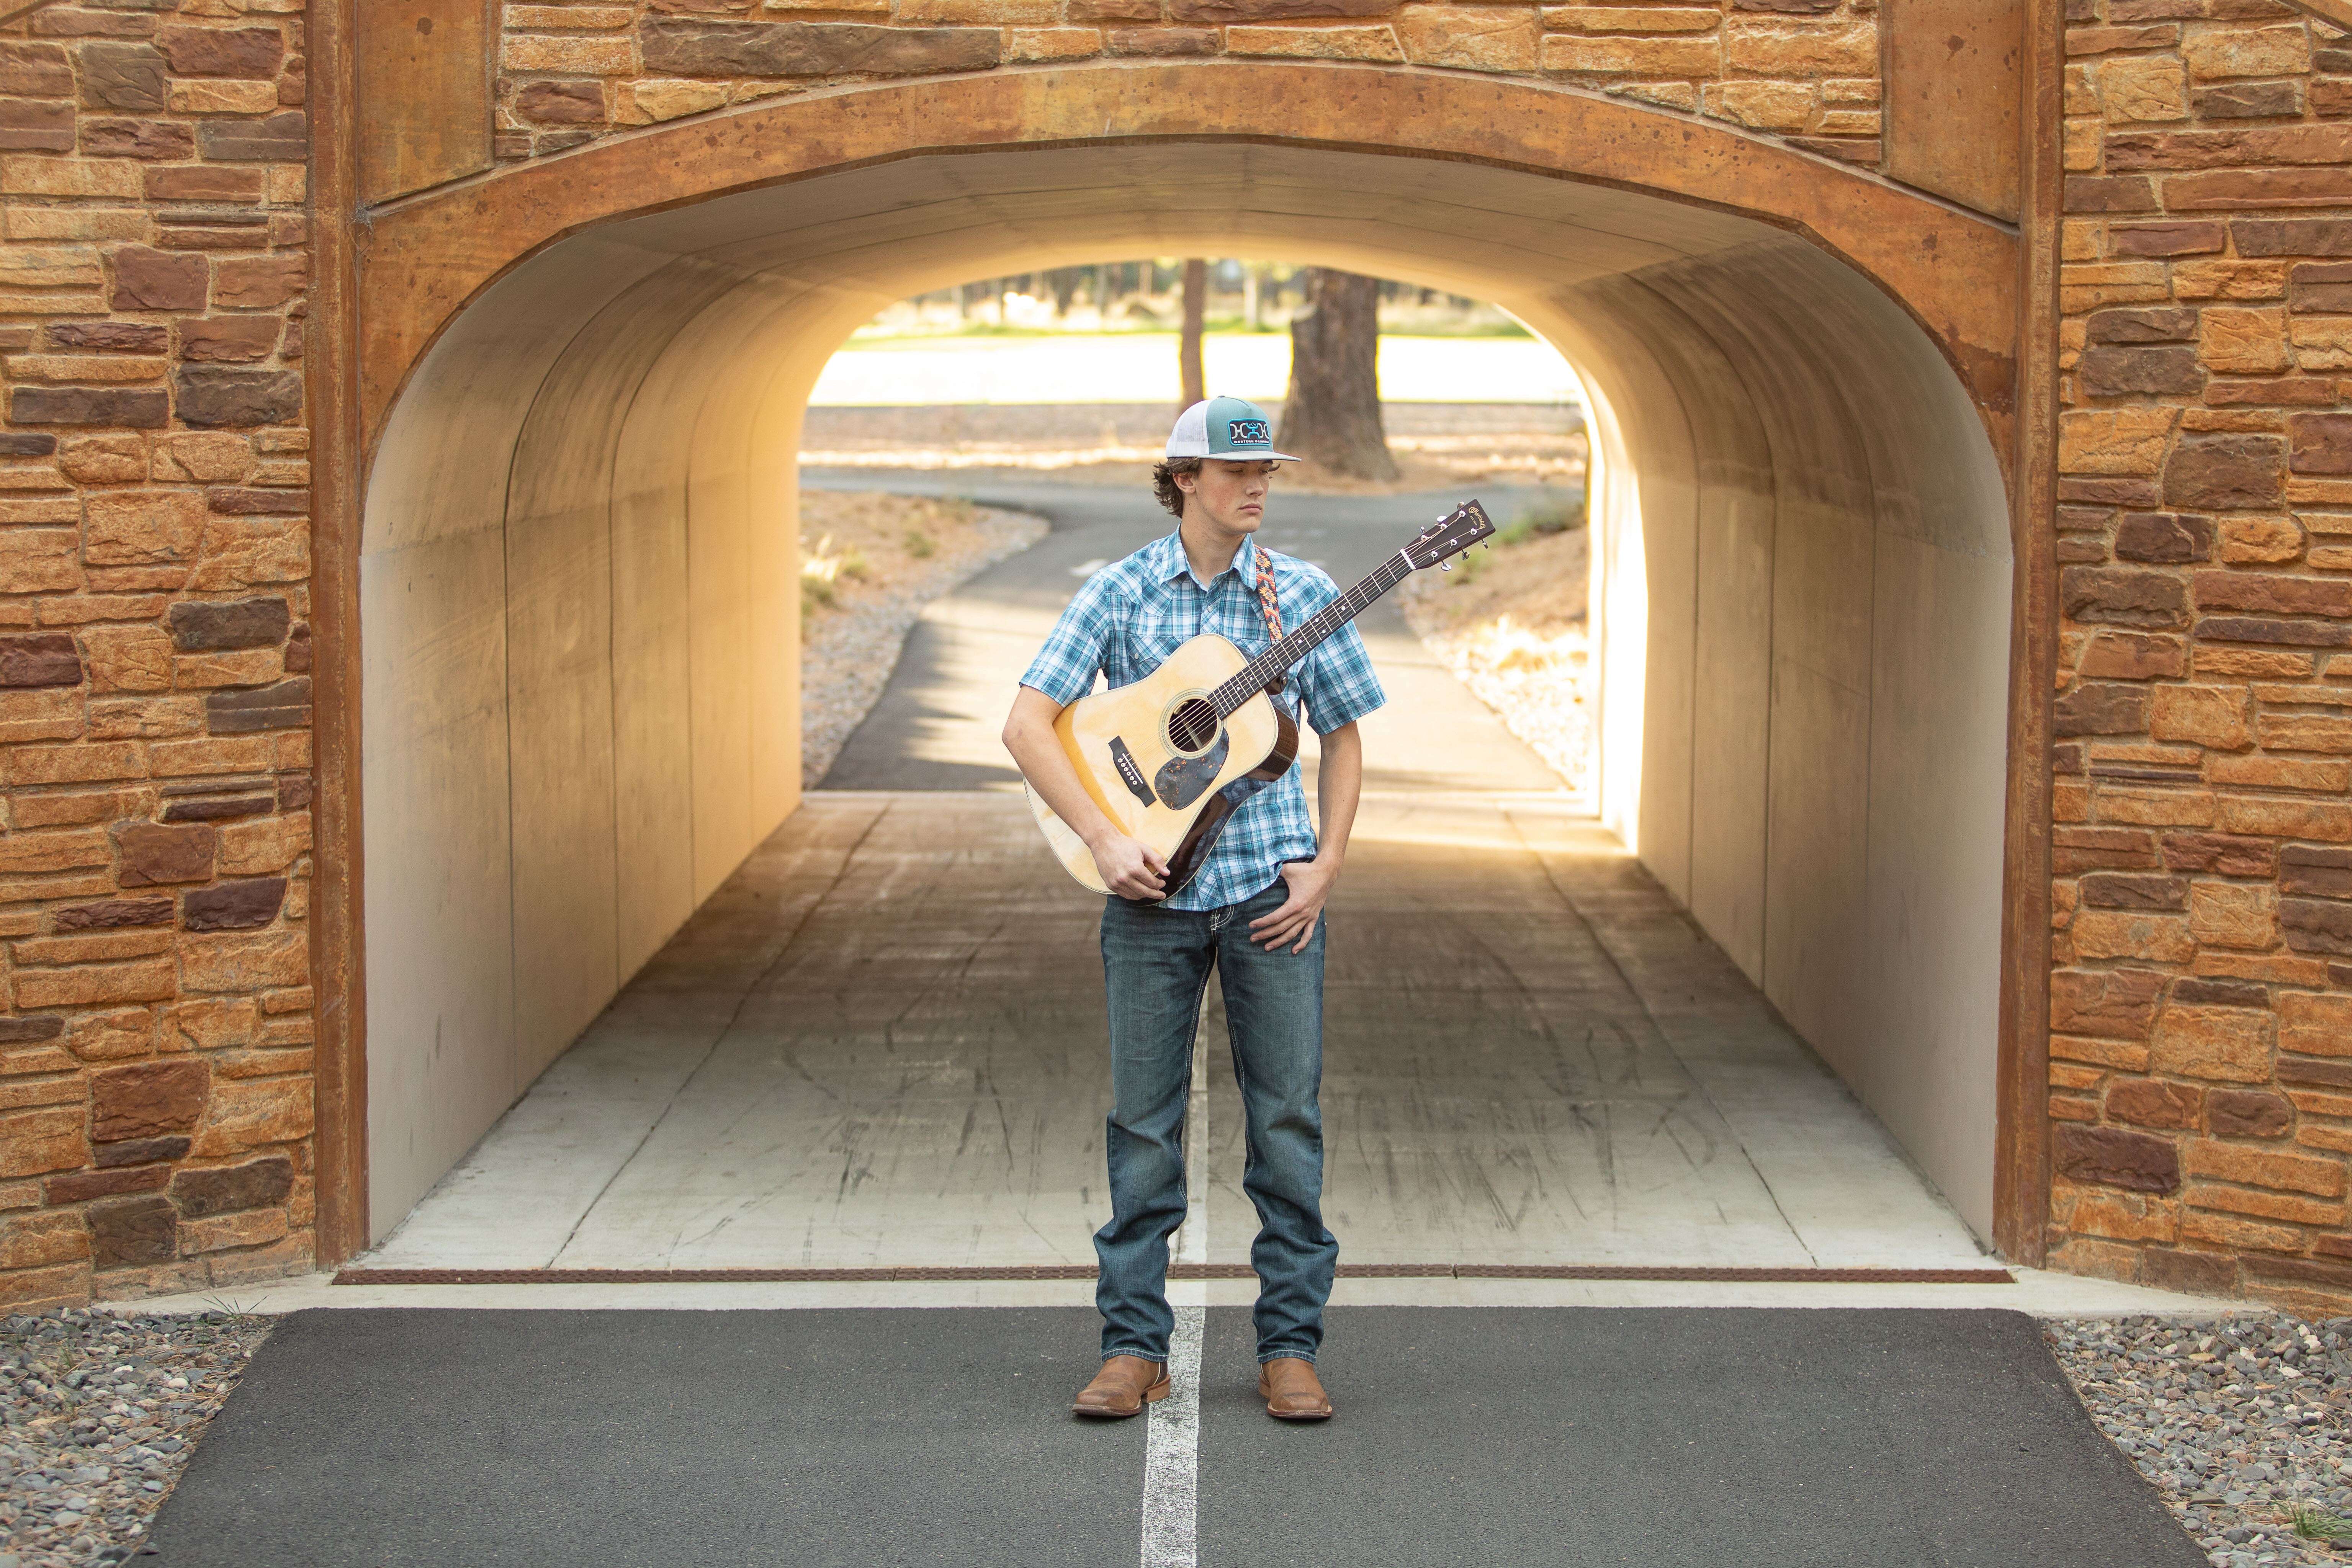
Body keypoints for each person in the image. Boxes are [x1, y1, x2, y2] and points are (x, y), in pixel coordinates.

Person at [1000, 394, 1386, 1423]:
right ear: (1180, 480)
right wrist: (1100, 832)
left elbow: (1345, 733)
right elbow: (1029, 723)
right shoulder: (1123, 591)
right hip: (1150, 902)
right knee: (1142, 1129)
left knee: (1288, 1125)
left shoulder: (1297, 595)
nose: (1255, 486)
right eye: (1232, 471)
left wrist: (1329, 861)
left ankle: (1290, 1350)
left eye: (1265, 472)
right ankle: (1134, 1347)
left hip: (1271, 896)